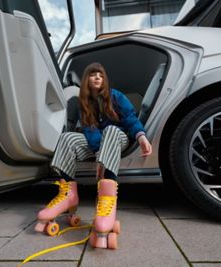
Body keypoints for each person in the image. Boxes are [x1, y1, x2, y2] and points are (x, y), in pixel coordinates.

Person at [35, 62, 152, 249]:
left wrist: (141, 137)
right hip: (99, 144)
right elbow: (89, 129)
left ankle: (107, 199)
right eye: (93, 74)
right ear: (86, 80)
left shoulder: (116, 96)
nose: (97, 77)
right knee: (67, 138)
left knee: (111, 130)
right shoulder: (85, 103)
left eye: (101, 75)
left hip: (119, 138)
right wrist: (99, 152)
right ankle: (68, 194)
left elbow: (130, 118)